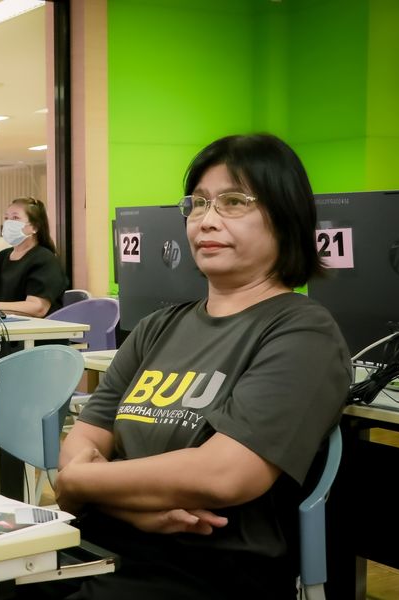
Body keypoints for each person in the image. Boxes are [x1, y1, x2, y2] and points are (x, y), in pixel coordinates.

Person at [54, 134, 351, 599]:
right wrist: (122, 506)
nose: (207, 220)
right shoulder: (157, 327)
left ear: (285, 216)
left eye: (233, 202)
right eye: (198, 203)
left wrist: (80, 483)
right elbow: (85, 438)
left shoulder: (304, 332)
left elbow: (223, 475)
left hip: (203, 571)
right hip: (99, 543)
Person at [0, 197, 67, 317]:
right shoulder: (2, 257)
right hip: (3, 326)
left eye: (15, 218)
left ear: (34, 227)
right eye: (6, 218)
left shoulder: (45, 259)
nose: (8, 223)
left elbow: (37, 307)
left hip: (36, 328)